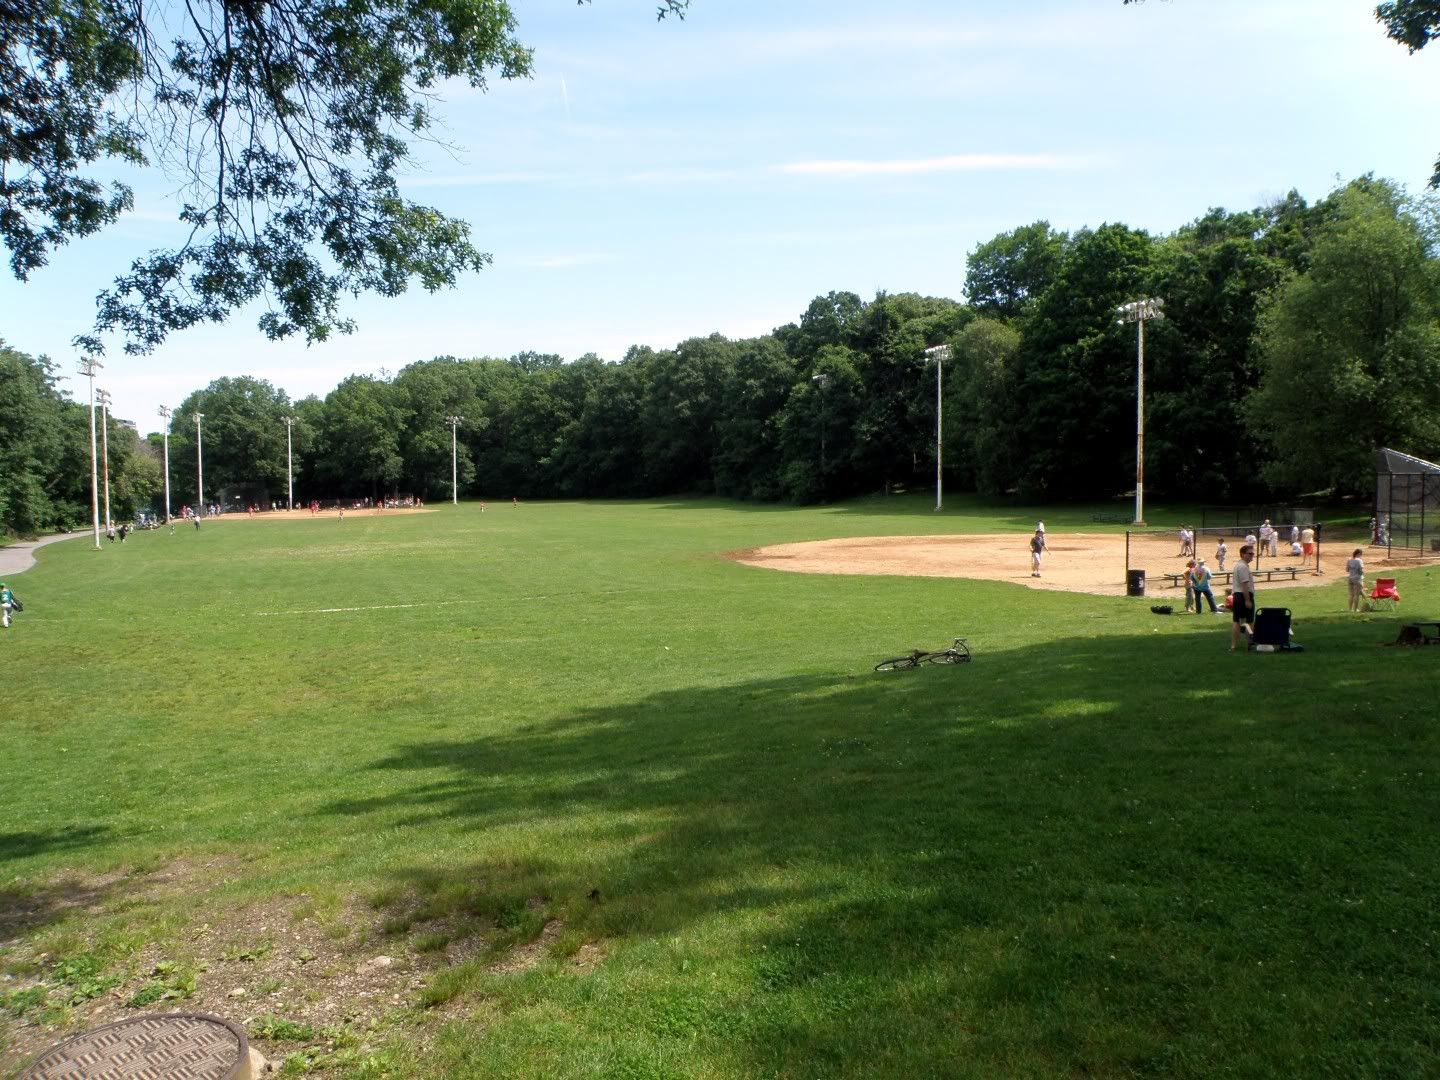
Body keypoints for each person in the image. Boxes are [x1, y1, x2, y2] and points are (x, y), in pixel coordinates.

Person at [1231, 544, 1256, 650]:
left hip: (1237, 595)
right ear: (1242, 554)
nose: (1252, 556)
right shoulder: (1243, 567)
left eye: (1253, 553)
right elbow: (1244, 584)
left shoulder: (1240, 565)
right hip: (1243, 595)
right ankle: (1249, 645)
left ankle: (1234, 646)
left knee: (1237, 621)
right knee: (1249, 621)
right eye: (1249, 553)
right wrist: (1247, 600)